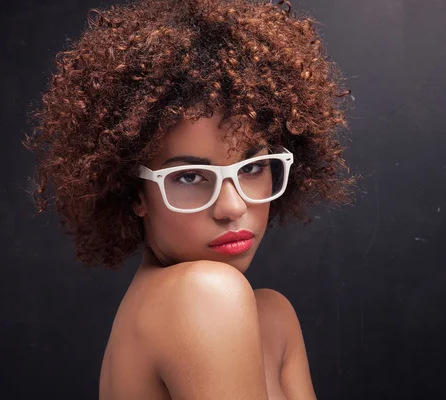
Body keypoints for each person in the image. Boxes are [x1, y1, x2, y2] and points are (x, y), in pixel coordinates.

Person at [23, 0, 358, 398]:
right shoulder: (203, 295)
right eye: (190, 176)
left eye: (252, 168)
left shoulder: (272, 319)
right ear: (135, 194)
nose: (232, 207)